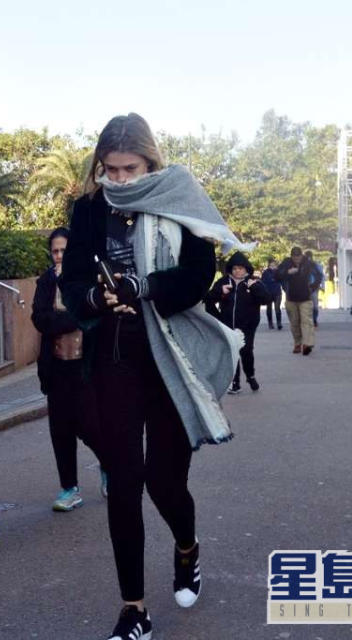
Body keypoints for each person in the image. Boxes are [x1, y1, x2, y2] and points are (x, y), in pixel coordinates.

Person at [60, 113, 245, 640]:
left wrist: (144, 287)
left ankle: (187, 550)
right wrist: (98, 297)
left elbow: (196, 276)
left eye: (129, 168)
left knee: (166, 483)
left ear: (150, 162)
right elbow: (73, 281)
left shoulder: (177, 197)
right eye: (110, 170)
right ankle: (133, 609)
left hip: (171, 356)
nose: (118, 180)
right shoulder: (89, 210)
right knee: (124, 482)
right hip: (114, 359)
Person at [31, 227, 105, 511]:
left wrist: (68, 317)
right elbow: (40, 318)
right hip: (56, 367)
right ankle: (69, 489)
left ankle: (108, 465)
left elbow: (94, 312)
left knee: (89, 426)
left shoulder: (88, 279)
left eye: (64, 250)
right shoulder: (46, 281)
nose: (60, 256)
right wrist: (73, 317)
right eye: (55, 251)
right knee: (60, 429)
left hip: (86, 367)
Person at [205, 252, 271, 394]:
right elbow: (208, 300)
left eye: (240, 268)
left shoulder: (254, 282)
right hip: (227, 325)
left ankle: (250, 376)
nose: (237, 271)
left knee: (246, 351)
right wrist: (219, 293)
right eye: (234, 268)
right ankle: (235, 383)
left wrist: (254, 288)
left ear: (246, 269)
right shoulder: (223, 282)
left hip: (247, 325)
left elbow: (266, 299)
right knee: (232, 352)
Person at [276, 247, 321, 355]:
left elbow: (318, 276)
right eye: (294, 257)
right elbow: (277, 276)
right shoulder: (286, 263)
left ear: (301, 255)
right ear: (291, 256)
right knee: (294, 323)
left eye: (298, 256)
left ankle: (307, 344)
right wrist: (288, 272)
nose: (296, 259)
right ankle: (298, 343)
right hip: (291, 297)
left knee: (306, 321)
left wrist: (312, 287)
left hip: (305, 297)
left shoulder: (308, 263)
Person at [261, 258, 283, 330]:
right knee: (269, 308)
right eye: (271, 265)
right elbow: (263, 282)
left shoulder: (278, 272)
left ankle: (279, 323)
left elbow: (282, 280)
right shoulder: (265, 273)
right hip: (268, 293)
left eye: (274, 265)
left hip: (277, 292)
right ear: (269, 265)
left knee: (277, 308)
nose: (273, 266)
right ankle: (270, 323)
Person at [304, 250, 325, 327]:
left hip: (309, 288)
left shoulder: (315, 265)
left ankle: (312, 320)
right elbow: (322, 276)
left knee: (309, 305)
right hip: (314, 288)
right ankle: (313, 320)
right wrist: (323, 286)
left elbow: (321, 276)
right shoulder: (316, 265)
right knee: (314, 305)